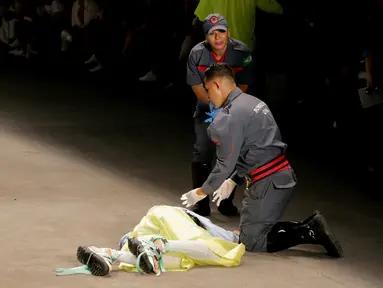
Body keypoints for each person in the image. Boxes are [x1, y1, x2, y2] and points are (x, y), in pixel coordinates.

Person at [181, 63, 343, 257]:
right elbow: (258, 147)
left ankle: (308, 230)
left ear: (216, 85)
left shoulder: (228, 117)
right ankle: (305, 226)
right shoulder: (254, 103)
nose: (208, 96)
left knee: (252, 241)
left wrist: (201, 192)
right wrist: (234, 180)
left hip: (267, 184)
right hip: (281, 175)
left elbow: (224, 164)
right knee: (248, 231)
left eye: (208, 90)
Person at [187, 13, 254, 217]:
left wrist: (227, 108)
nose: (217, 37)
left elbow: (243, 84)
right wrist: (214, 106)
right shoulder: (197, 53)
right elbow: (196, 87)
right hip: (206, 109)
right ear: (206, 37)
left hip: (233, 110)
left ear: (228, 33)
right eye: (212, 33)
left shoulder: (241, 52)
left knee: (231, 154)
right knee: (202, 151)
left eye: (221, 32)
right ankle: (201, 202)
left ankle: (225, 201)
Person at [56, 205, 245, 277]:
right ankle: (158, 245)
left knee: (178, 261)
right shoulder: (221, 234)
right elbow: (232, 237)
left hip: (138, 235)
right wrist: (235, 235)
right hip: (167, 218)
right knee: (220, 252)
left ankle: (109, 254)